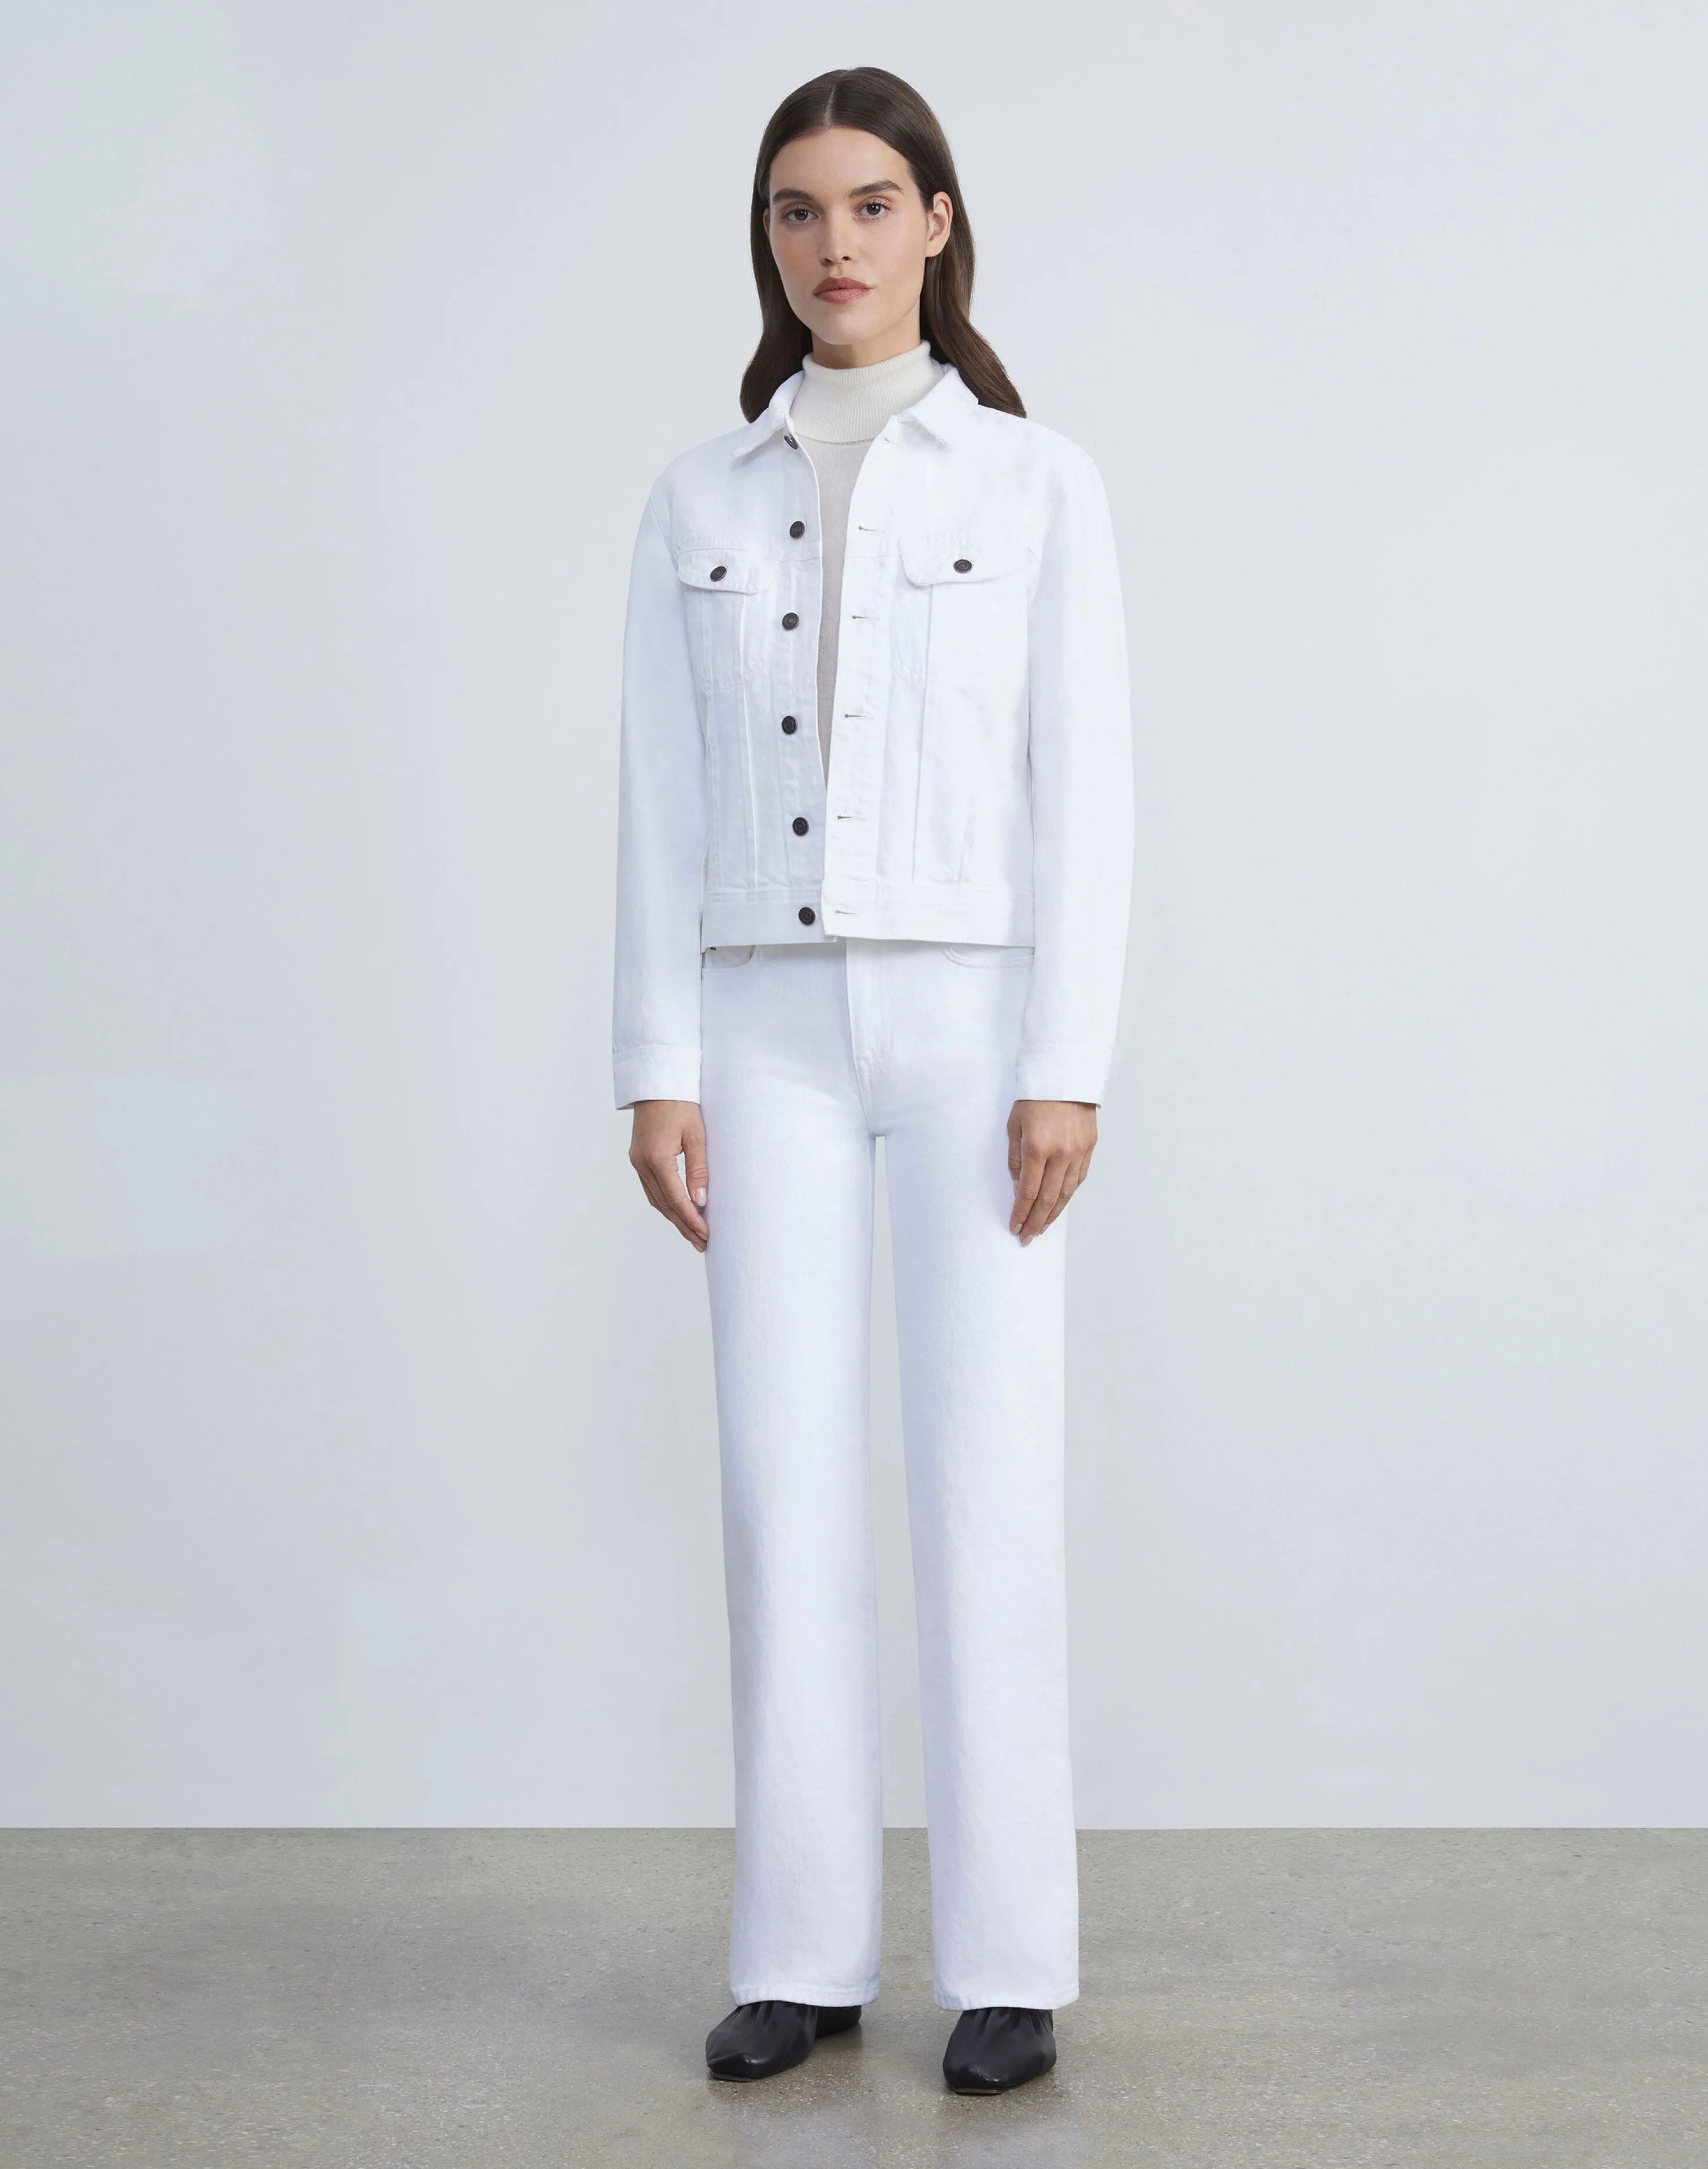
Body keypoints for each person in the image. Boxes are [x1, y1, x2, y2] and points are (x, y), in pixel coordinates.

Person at [611, 65, 1133, 2097]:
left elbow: (1087, 790)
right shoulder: (698, 497)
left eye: (869, 203)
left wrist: (1065, 1062)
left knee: (988, 1480)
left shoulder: (1036, 483)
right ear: (769, 238)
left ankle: (1008, 1959)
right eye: (797, 209)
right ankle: (800, 1950)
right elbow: (659, 799)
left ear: (937, 221)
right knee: (781, 1482)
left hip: (974, 1024)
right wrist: (655, 1062)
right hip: (758, 1026)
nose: (833, 244)